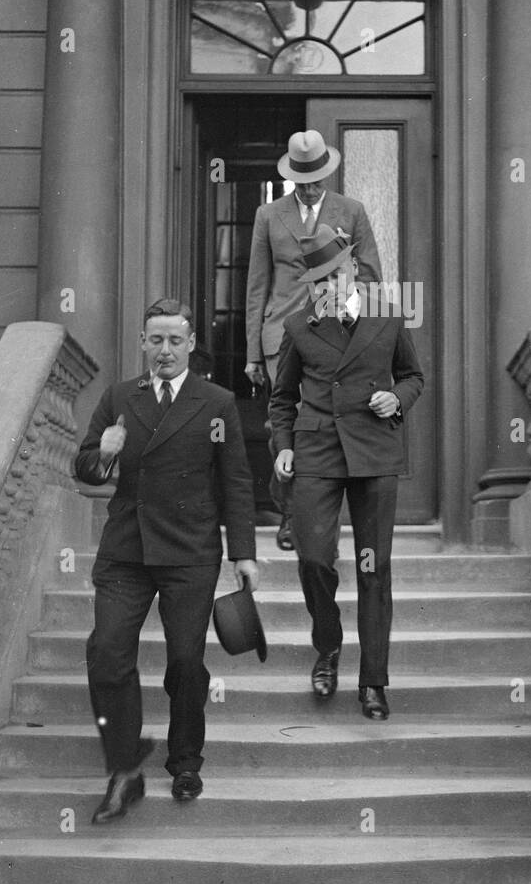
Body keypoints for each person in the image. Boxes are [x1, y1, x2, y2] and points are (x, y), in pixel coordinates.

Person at [74, 298, 257, 823]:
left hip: (190, 550)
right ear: (142, 343)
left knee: (184, 661)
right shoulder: (119, 397)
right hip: (127, 549)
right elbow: (85, 466)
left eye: (175, 340)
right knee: (107, 654)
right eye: (155, 340)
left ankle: (184, 759)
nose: (165, 351)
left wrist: (243, 553)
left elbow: (236, 482)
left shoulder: (216, 403)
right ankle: (125, 770)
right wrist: (104, 453)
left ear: (191, 344)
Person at [269, 228, 424, 721]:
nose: (328, 288)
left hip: (374, 455)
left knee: (373, 568)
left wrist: (396, 399)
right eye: (317, 282)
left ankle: (373, 681)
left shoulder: (389, 318)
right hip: (317, 453)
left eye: (335, 275)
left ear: (354, 268)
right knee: (315, 560)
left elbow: (414, 376)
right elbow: (281, 399)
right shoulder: (299, 327)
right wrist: (284, 447)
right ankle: (328, 646)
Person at [245, 129, 382, 550]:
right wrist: (252, 352)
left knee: (325, 425)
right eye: (302, 182)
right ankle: (290, 517)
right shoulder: (269, 215)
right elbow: (257, 285)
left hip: (335, 333)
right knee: (283, 426)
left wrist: (363, 330)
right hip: (281, 334)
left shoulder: (352, 210)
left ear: (327, 173)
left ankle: (320, 523)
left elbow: (371, 277)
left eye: (316, 181)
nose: (309, 189)